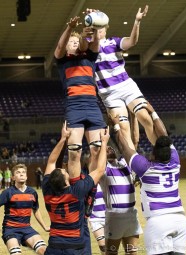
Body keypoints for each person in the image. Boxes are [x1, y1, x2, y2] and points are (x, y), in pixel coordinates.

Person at [113, 103, 186, 255]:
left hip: (158, 221)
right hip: (181, 220)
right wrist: (153, 112)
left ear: (153, 156)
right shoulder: (175, 160)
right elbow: (164, 137)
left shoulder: (145, 168)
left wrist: (116, 126)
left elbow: (124, 147)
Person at [81, 6, 158, 150]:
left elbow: (132, 42)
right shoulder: (88, 47)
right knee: (123, 127)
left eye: (101, 27)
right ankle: (134, 166)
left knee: (146, 118)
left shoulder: (114, 42)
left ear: (106, 29)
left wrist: (137, 22)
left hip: (127, 86)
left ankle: (161, 156)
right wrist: (91, 22)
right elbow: (83, 43)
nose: (99, 29)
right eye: (96, 27)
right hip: (109, 93)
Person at [42, 122, 109, 255]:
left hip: (54, 245)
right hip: (74, 245)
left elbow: (51, 162)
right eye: (65, 172)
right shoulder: (76, 191)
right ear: (67, 182)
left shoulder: (47, 190)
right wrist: (104, 143)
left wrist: (62, 139)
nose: (66, 169)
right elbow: (100, 169)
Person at [54, 15, 106, 179]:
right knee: (75, 152)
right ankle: (77, 190)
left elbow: (92, 43)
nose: (74, 43)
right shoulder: (62, 60)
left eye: (77, 41)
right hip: (74, 107)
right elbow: (60, 46)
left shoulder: (89, 57)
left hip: (92, 106)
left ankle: (92, 190)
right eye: (71, 41)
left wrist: (94, 28)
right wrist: (69, 28)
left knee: (97, 149)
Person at [99, 146, 142, 255]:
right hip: (115, 217)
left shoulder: (125, 163)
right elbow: (95, 155)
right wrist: (102, 144)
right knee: (112, 253)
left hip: (131, 214)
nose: (109, 148)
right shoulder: (103, 169)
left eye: (110, 147)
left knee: (132, 253)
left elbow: (132, 143)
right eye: (105, 148)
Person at [0, 164, 49, 255]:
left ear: (26, 176)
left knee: (44, 251)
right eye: (18, 173)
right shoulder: (7, 192)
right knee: (16, 253)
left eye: (23, 172)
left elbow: (36, 210)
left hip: (27, 228)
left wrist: (44, 227)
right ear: (13, 177)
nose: (21, 174)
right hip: (10, 229)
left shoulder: (32, 192)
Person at [88, 183, 106, 255]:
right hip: (95, 219)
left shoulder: (108, 179)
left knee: (112, 248)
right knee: (103, 246)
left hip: (111, 217)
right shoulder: (89, 182)